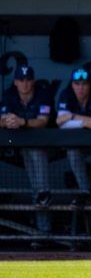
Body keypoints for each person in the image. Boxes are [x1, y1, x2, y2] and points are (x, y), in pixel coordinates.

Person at [1, 65, 55, 237]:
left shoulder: (42, 94)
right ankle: (41, 231)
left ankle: (44, 231)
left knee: (40, 190)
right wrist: (7, 121)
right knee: (36, 188)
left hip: (48, 148)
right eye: (21, 80)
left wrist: (22, 122)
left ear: (33, 81)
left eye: (28, 80)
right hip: (18, 148)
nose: (25, 84)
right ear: (15, 82)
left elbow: (43, 121)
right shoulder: (9, 95)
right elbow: (2, 117)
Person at [56, 65, 91, 204]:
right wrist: (86, 122)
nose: (80, 87)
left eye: (84, 84)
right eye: (77, 84)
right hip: (77, 143)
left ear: (89, 85)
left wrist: (71, 116)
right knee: (72, 153)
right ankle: (85, 191)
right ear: (72, 84)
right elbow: (60, 123)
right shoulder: (66, 94)